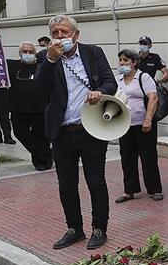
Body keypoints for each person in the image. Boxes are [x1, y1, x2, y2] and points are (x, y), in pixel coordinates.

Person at [35, 14, 116, 250]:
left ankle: (100, 228)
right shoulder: (45, 56)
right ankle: (74, 228)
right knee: (66, 185)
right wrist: (50, 60)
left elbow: (111, 82)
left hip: (90, 130)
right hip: (61, 131)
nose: (60, 37)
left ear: (76, 35)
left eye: (64, 32)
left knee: (96, 181)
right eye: (55, 33)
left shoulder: (93, 53)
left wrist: (100, 91)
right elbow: (39, 89)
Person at [113, 49, 162, 204]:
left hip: (143, 125)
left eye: (126, 60)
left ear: (134, 62)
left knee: (148, 157)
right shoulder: (117, 80)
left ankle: (155, 189)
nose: (122, 63)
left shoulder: (143, 77)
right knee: (127, 157)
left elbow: (153, 98)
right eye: (121, 60)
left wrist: (148, 119)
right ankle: (130, 190)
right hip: (125, 125)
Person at [7, 41, 52, 170]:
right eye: (24, 52)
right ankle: (48, 154)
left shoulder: (42, 66)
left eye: (30, 52)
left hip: (40, 109)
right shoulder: (12, 65)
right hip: (18, 109)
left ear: (35, 53)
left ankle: (42, 163)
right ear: (20, 53)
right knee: (20, 133)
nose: (27, 54)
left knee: (41, 136)